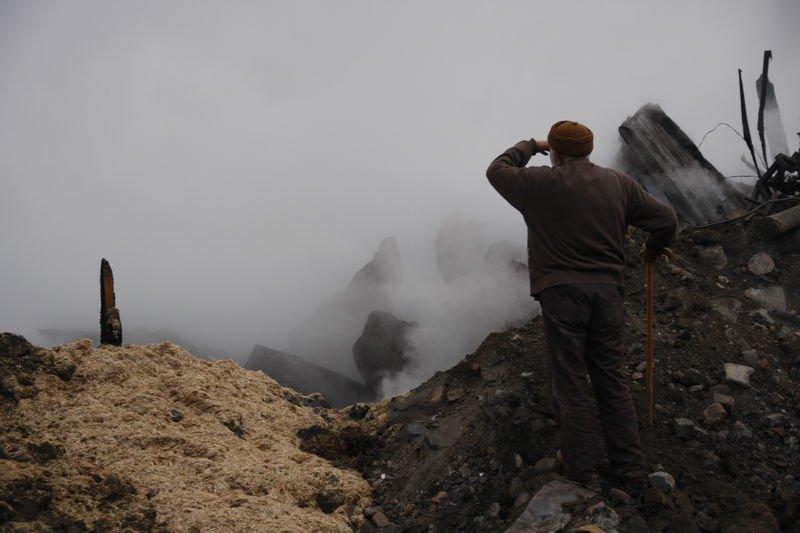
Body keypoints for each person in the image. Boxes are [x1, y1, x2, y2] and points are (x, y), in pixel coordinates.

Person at [485, 121, 677, 495]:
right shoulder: (618, 183)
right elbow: (666, 220)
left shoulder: (539, 184)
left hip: (561, 295)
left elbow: (496, 170)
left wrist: (530, 144)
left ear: (554, 152)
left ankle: (582, 473)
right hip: (607, 294)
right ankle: (632, 472)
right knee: (612, 381)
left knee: (571, 383)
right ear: (589, 150)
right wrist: (653, 249)